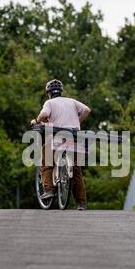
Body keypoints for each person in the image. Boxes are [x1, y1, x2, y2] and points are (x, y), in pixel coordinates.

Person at [31, 79, 91, 210]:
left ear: (49, 93)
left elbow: (45, 114)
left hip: (57, 139)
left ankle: (49, 190)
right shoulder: (72, 101)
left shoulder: (50, 102)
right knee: (76, 171)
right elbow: (87, 110)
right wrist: (78, 122)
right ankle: (81, 202)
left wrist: (36, 120)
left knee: (46, 162)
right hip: (75, 138)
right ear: (61, 91)